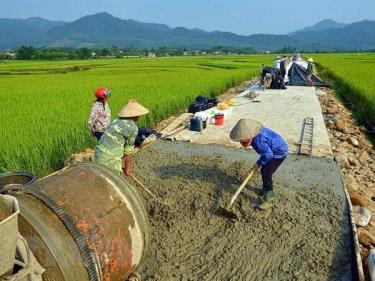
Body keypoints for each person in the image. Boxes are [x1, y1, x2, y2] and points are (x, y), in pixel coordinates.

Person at [230, 119, 288, 210]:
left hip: (278, 153)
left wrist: (259, 163)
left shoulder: (258, 142)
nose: (242, 143)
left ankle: (269, 199)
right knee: (264, 170)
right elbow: (266, 153)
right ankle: (265, 190)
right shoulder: (255, 134)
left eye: (244, 141)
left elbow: (268, 155)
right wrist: (260, 163)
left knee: (266, 173)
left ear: (251, 135)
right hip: (271, 150)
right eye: (241, 141)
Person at [94, 99, 149, 176]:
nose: (139, 116)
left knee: (99, 179)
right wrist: (127, 168)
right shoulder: (133, 128)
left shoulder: (116, 120)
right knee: (112, 183)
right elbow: (128, 151)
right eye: (138, 114)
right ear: (134, 114)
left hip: (98, 154)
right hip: (111, 160)